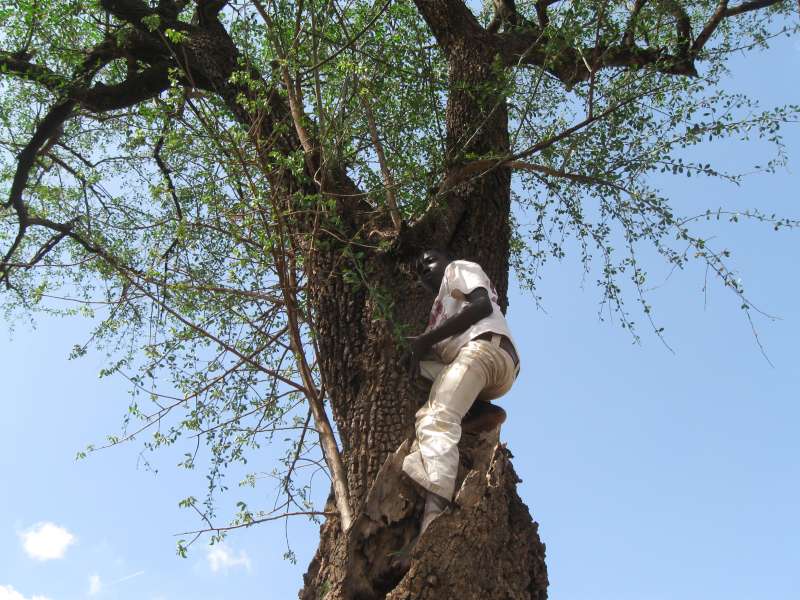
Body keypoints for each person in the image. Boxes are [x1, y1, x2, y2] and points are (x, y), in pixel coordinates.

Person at [402, 248, 520, 534]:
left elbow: (481, 307)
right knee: (418, 373)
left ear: (445, 260)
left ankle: (435, 514)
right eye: (418, 273)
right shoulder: (439, 310)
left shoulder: (459, 268)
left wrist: (426, 340)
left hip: (484, 351)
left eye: (429, 261)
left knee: (436, 417)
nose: (424, 271)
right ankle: (481, 409)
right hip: (482, 367)